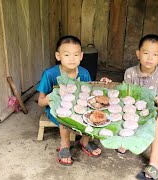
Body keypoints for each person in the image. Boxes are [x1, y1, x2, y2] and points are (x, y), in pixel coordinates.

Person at [37, 35, 111, 166]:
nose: (72, 59)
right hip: (56, 110)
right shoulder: (50, 74)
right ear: (58, 56)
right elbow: (40, 102)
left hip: (78, 107)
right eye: (66, 55)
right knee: (64, 115)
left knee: (93, 111)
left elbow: (90, 95)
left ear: (81, 56)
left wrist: (102, 85)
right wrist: (50, 98)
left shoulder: (84, 73)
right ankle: (64, 145)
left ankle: (85, 141)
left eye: (76, 55)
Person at [120, 34, 158, 179]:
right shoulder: (130, 73)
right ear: (138, 54)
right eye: (146, 53)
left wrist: (157, 101)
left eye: (155, 54)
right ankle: (126, 140)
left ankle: (155, 159)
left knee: (155, 115)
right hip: (133, 113)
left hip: (154, 115)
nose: (150, 58)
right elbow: (125, 97)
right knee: (119, 107)